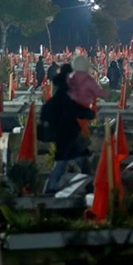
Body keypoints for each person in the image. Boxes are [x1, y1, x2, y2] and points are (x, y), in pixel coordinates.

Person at [41, 64, 95, 193]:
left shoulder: (54, 101)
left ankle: (50, 189)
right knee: (76, 162)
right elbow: (84, 112)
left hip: (60, 135)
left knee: (62, 163)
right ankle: (90, 187)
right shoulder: (69, 99)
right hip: (71, 135)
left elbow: (45, 116)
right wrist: (89, 113)